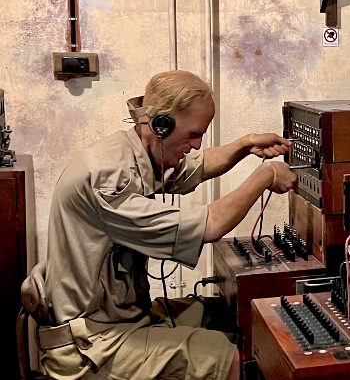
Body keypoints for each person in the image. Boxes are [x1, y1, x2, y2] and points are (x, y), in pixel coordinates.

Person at [38, 70, 297, 380]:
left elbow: (196, 167)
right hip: (91, 344)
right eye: (193, 134)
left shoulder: (133, 152)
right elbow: (211, 224)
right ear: (161, 125)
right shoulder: (106, 180)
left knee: (216, 313)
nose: (198, 145)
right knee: (227, 357)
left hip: (119, 320)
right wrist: (265, 176)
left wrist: (245, 144)